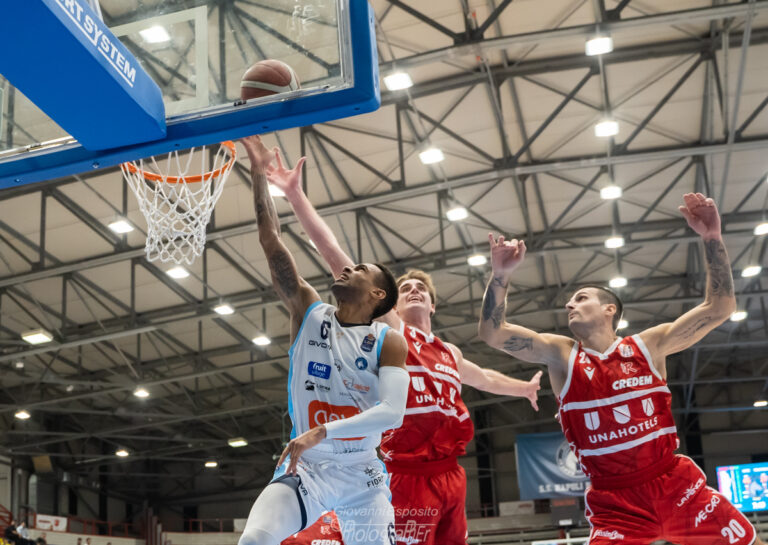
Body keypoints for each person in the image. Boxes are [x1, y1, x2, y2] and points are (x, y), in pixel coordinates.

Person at [265, 147, 542, 545]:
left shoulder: (449, 353)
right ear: (389, 301)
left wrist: (524, 388)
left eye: (420, 289)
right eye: (405, 288)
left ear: (432, 304)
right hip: (404, 472)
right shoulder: (392, 331)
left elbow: (485, 378)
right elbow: (334, 255)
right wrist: (295, 195)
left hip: (450, 473)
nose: (412, 291)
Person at [478, 193, 763, 545]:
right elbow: (492, 334)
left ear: (610, 309)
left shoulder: (649, 345)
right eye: (570, 300)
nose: (570, 303)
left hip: (676, 487)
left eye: (581, 298)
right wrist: (500, 276)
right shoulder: (561, 355)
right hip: (616, 503)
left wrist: (712, 238)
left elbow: (719, 307)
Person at [236, 135, 410, 545]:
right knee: (254, 540)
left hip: (362, 475)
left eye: (361, 268)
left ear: (378, 295)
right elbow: (270, 240)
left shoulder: (388, 340)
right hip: (306, 466)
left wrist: (323, 431)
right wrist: (259, 175)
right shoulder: (308, 310)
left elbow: (393, 414)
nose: (348, 269)